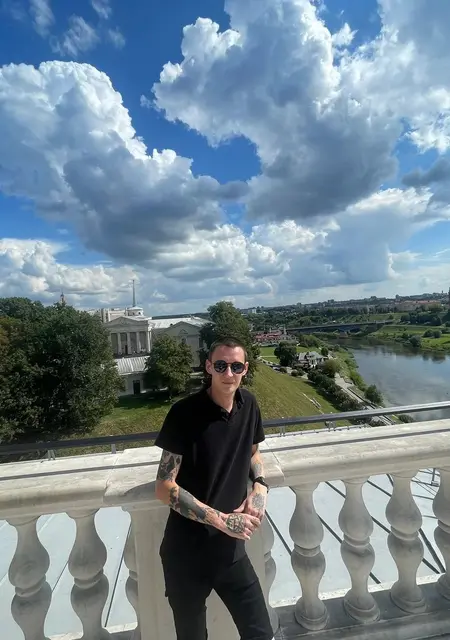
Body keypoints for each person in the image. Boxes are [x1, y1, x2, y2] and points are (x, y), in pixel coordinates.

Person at [154, 338, 274, 640]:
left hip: (231, 553)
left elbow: (253, 453)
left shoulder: (249, 405)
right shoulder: (184, 413)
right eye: (220, 366)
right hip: (186, 555)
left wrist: (260, 487)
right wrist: (223, 520)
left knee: (261, 633)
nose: (228, 374)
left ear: (245, 369)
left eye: (236, 366)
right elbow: (164, 486)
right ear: (208, 367)